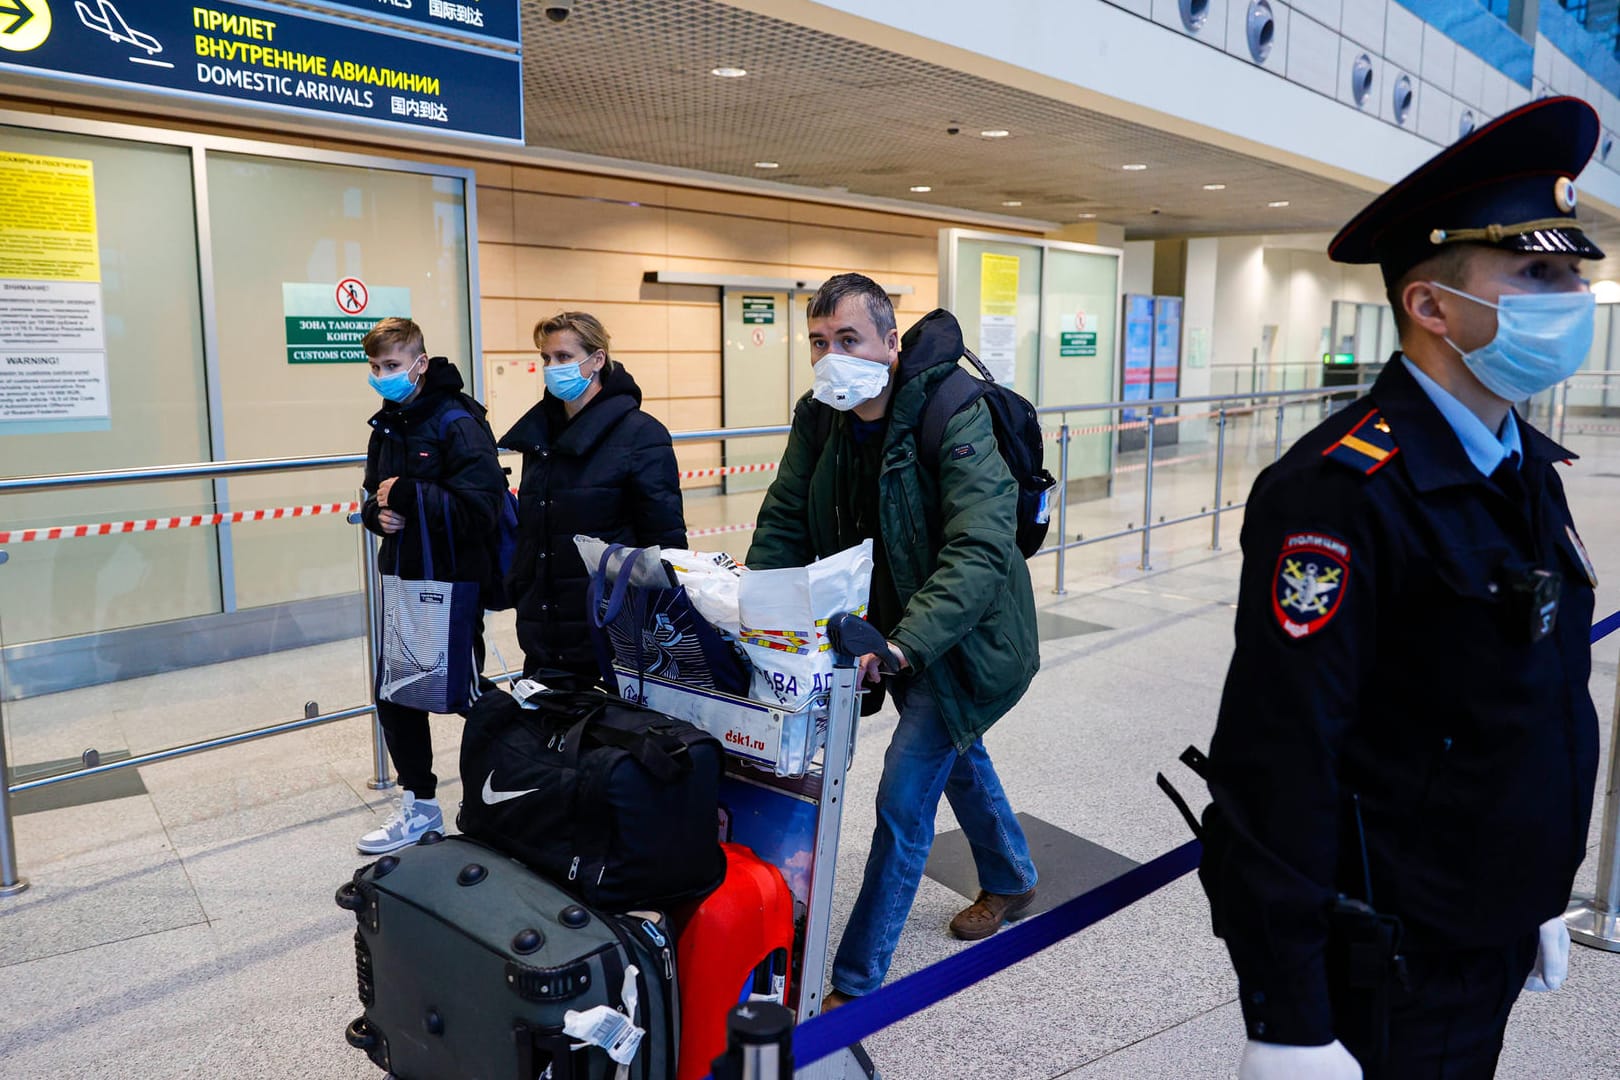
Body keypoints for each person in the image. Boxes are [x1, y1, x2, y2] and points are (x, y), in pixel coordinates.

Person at [1196, 97, 1603, 1080]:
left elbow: (1530, 702)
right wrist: (1286, 1018)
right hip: (1397, 963)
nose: (1572, 296)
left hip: (1486, 929)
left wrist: (1535, 893)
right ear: (1430, 305)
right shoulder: (1339, 491)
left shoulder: (1523, 467)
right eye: (1537, 273)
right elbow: (1279, 759)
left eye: (1570, 272)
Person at [747, 273, 1040, 1007]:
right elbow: (785, 517)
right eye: (818, 342)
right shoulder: (821, 418)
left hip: (965, 639)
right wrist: (757, 611)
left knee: (903, 801)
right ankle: (1011, 877)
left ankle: (853, 984)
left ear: (889, 339)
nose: (830, 356)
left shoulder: (953, 412)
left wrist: (906, 644)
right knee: (958, 758)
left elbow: (978, 552)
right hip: (886, 634)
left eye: (847, 339)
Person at [356, 317, 508, 854]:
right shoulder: (388, 424)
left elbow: (484, 509)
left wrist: (410, 497)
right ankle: (419, 806)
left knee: (466, 693)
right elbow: (375, 497)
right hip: (404, 576)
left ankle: (506, 791)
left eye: (392, 366)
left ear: (420, 364)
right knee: (395, 693)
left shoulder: (458, 422)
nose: (382, 376)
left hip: (452, 579)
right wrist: (379, 516)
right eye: (375, 368)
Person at [499, 311, 686, 689]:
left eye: (564, 358)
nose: (552, 368)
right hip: (545, 627)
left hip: (608, 629)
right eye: (546, 359)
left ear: (597, 360)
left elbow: (665, 543)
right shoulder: (540, 437)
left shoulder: (641, 435)